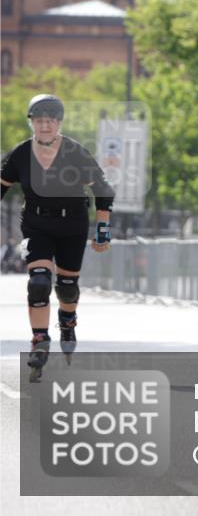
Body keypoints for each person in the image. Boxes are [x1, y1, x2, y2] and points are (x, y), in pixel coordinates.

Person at [0, 94, 115, 381]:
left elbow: (102, 189)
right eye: (39, 121)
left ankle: (67, 320)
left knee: (66, 288)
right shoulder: (21, 154)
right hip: (37, 224)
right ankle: (40, 340)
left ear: (59, 123)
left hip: (72, 226)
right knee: (38, 283)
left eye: (50, 121)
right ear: (32, 123)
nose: (45, 126)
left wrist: (103, 228)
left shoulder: (75, 152)